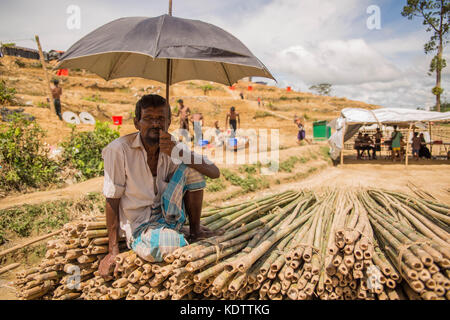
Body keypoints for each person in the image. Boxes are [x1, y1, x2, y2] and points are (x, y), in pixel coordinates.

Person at [99, 94, 222, 277]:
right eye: (148, 118)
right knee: (167, 244)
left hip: (169, 215)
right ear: (136, 123)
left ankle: (194, 232)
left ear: (169, 122)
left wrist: (178, 152)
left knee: (193, 167)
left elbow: (214, 172)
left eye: (160, 119)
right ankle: (176, 236)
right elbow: (112, 198)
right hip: (140, 225)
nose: (155, 124)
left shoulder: (171, 146)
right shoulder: (118, 150)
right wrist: (113, 250)